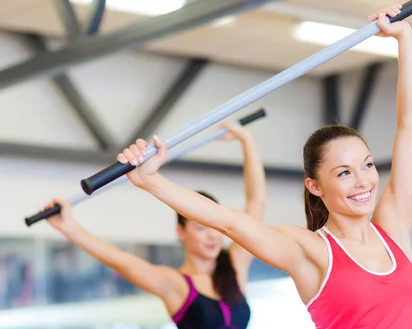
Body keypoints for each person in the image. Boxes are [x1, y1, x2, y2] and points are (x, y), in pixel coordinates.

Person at [117, 5, 412, 329]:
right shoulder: (309, 250)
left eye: (367, 166)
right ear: (315, 186)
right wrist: (151, 181)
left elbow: (410, 128)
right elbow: (228, 222)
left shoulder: (393, 227)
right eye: (345, 173)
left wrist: (404, 39)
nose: (363, 182)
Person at [42, 120, 266, 329]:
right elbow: (122, 262)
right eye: (200, 228)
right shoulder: (175, 284)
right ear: (181, 232)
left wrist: (246, 141)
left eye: (216, 229)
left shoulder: (235, 266)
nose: (212, 236)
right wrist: (69, 228)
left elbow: (256, 202)